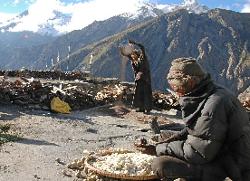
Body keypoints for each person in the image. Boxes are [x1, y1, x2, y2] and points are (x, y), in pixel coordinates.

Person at [137, 57, 250, 181]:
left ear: (190, 83)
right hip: (217, 151)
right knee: (164, 136)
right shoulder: (208, 91)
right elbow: (197, 130)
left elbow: (197, 152)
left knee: (160, 164)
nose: (177, 92)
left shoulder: (214, 104)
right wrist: (166, 141)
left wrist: (157, 149)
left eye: (177, 88)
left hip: (231, 166)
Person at [120, 40, 152, 114]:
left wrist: (135, 43)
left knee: (145, 94)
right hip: (139, 80)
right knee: (139, 93)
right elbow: (126, 54)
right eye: (132, 55)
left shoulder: (142, 58)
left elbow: (142, 48)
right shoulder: (133, 60)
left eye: (133, 55)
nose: (132, 56)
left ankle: (147, 109)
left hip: (145, 79)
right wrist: (122, 48)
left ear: (137, 54)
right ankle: (141, 108)